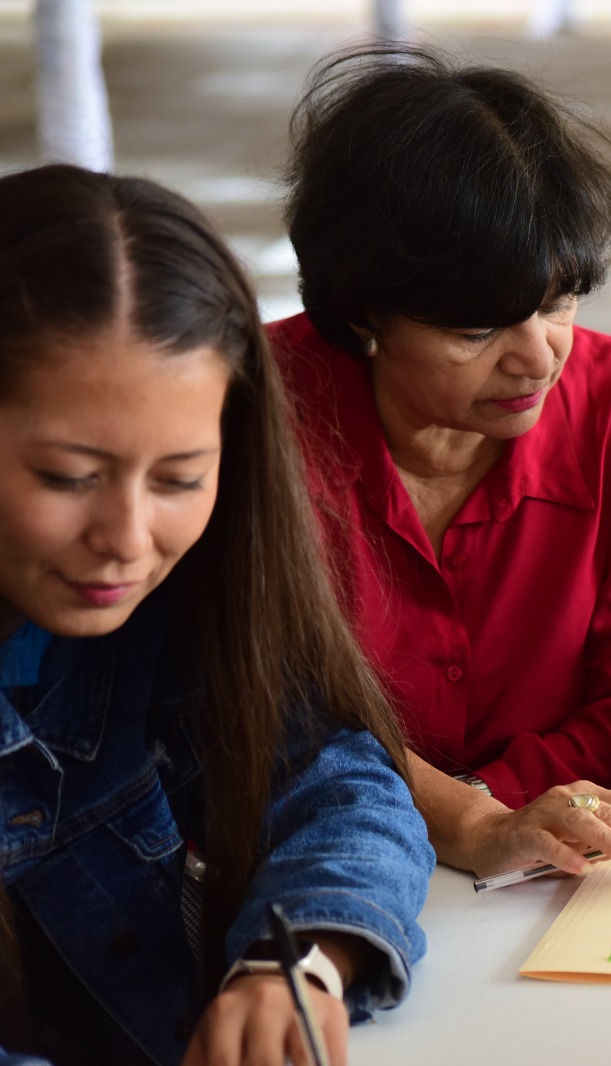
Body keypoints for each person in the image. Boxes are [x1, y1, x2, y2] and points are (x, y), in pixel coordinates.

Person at [0, 165, 430, 1066]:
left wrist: (296, 964)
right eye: (68, 477)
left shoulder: (179, 605)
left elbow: (336, 782)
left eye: (180, 479)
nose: (126, 539)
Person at [270, 46, 611, 879]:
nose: (538, 359)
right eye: (477, 329)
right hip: (302, 852)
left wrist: (499, 818)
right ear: (365, 313)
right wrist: (463, 822)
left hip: (544, 867)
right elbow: (263, 710)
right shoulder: (251, 418)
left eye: (558, 302)